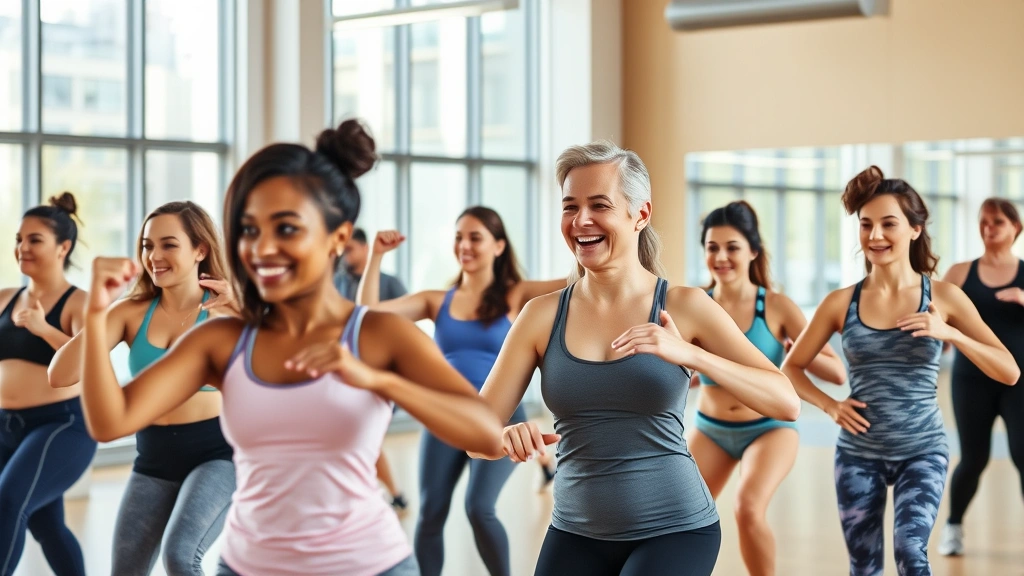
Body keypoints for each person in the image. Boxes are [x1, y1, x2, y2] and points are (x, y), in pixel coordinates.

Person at [76, 119, 504, 576]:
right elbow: (110, 422)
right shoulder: (221, 340)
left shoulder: (378, 334)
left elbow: (485, 434)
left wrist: (377, 380)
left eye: (285, 229)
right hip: (248, 566)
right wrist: (97, 314)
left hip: (369, 565)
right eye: (249, 229)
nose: (262, 248)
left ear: (338, 237)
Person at [469, 141, 801, 576]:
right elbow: (474, 433)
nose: (581, 220)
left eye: (599, 205)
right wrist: (504, 437)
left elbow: (785, 401)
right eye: (570, 207)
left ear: (640, 214)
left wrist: (690, 354)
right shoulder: (541, 315)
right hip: (574, 530)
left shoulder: (685, 306)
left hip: (676, 528)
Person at [781, 166, 1019, 576]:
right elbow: (792, 368)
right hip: (859, 454)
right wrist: (831, 406)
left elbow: (1010, 371)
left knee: (911, 552)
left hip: (922, 450)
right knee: (864, 565)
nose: (875, 236)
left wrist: (950, 334)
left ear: (914, 229)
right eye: (866, 224)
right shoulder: (841, 302)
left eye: (888, 224)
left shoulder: (944, 297)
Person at [358, 205, 564, 576]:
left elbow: (579, 280)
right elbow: (367, 313)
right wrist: (375, 256)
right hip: (445, 418)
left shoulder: (517, 295)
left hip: (499, 418)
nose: (464, 245)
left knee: (479, 507)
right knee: (431, 511)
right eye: (458, 237)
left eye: (475, 237)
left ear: (499, 246)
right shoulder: (437, 300)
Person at [49, 201, 237, 576]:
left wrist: (246, 313)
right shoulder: (131, 312)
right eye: (148, 245)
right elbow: (60, 374)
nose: (155, 256)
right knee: (126, 571)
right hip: (153, 456)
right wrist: (98, 311)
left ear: (200, 250)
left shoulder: (226, 311)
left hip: (217, 454)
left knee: (181, 556)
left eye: (169, 244)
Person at [692, 200, 847, 576]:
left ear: (753, 252)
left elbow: (837, 372)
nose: (721, 257)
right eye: (713, 247)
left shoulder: (776, 307)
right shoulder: (696, 303)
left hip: (769, 429)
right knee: (682, 515)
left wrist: (800, 356)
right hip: (710, 429)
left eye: (732, 247)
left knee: (747, 508)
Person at [0, 193, 93, 576]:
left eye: (35, 239)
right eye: (19, 239)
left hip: (62, 426)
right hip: (6, 425)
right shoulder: (6, 297)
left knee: (7, 504)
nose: (23, 247)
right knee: (46, 524)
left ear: (63, 247)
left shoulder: (80, 303)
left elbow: (93, 365)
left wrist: (43, 329)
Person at [936, 197, 1024, 556]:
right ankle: (954, 526)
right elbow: (939, 323)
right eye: (983, 222)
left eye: (997, 222)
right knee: (973, 458)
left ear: (1015, 228)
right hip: (971, 380)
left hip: (1019, 381)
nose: (988, 229)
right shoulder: (959, 273)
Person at [334, 227, 410, 512]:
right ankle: (394, 495)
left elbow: (404, 328)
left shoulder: (389, 283)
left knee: (365, 437)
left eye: (351, 249)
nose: (345, 255)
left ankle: (385, 496)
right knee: (363, 438)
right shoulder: (337, 282)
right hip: (348, 375)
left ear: (365, 249)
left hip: (379, 376)